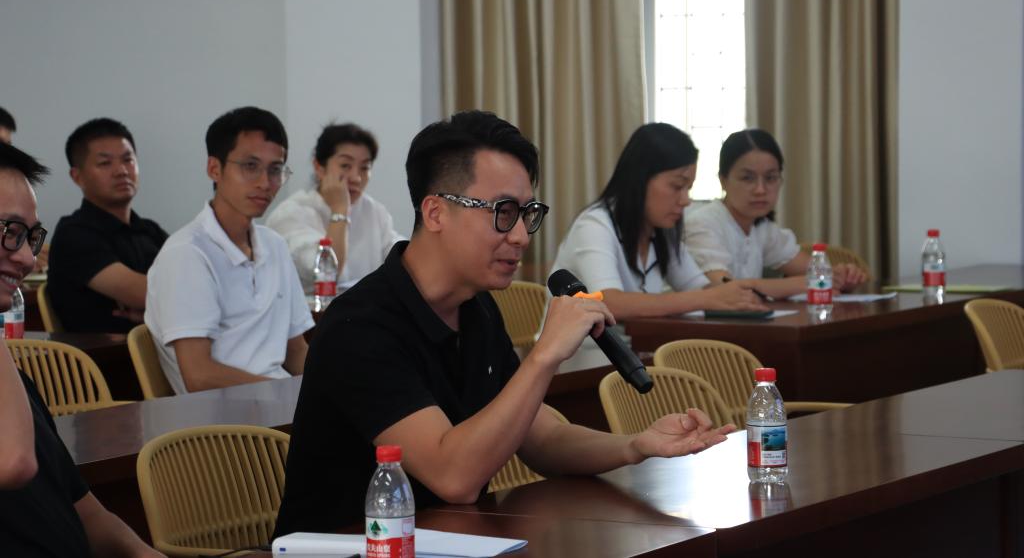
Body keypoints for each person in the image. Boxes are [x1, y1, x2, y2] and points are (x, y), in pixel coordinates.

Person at [273, 111, 734, 535]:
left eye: (526, 214)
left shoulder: (476, 308)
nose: (519, 236)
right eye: (502, 213)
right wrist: (544, 355)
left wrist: (635, 446)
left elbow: (543, 436)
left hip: (445, 541)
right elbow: (454, 477)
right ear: (435, 212)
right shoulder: (359, 327)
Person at [0, 142, 165, 557]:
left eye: (31, 237)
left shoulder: (16, 382)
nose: (27, 258)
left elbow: (86, 512)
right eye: (11, 233)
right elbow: (14, 463)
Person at [145, 107, 313, 394]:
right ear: (214, 168)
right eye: (250, 166)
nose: (265, 183)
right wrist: (287, 396)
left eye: (275, 170)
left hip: (281, 405)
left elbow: (296, 350)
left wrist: (331, 391)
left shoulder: (274, 245)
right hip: (224, 415)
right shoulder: (187, 254)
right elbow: (199, 377)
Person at [549, 123, 767, 318]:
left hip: (642, 347)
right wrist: (707, 298)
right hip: (582, 351)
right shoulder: (595, 225)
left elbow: (698, 288)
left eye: (688, 188)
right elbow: (608, 301)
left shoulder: (661, 230)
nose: (685, 200)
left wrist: (733, 297)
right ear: (640, 179)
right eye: (677, 186)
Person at [684, 129, 868, 298]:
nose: (760, 189)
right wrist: (810, 283)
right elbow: (725, 289)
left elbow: (817, 272)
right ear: (723, 181)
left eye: (770, 178)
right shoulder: (701, 224)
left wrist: (842, 277)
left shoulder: (762, 228)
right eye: (747, 178)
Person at [47, 119, 168, 332]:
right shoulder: (74, 234)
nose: (121, 171)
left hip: (161, 343)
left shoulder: (150, 230)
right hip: (104, 352)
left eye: (128, 160)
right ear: (77, 176)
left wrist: (151, 314)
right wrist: (158, 306)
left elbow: (197, 279)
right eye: (105, 163)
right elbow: (142, 293)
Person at [265, 122, 403, 293]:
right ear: (319, 167)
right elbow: (328, 272)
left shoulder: (374, 211)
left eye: (364, 167)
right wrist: (339, 210)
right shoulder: (291, 214)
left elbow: (402, 258)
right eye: (345, 165)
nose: (356, 178)